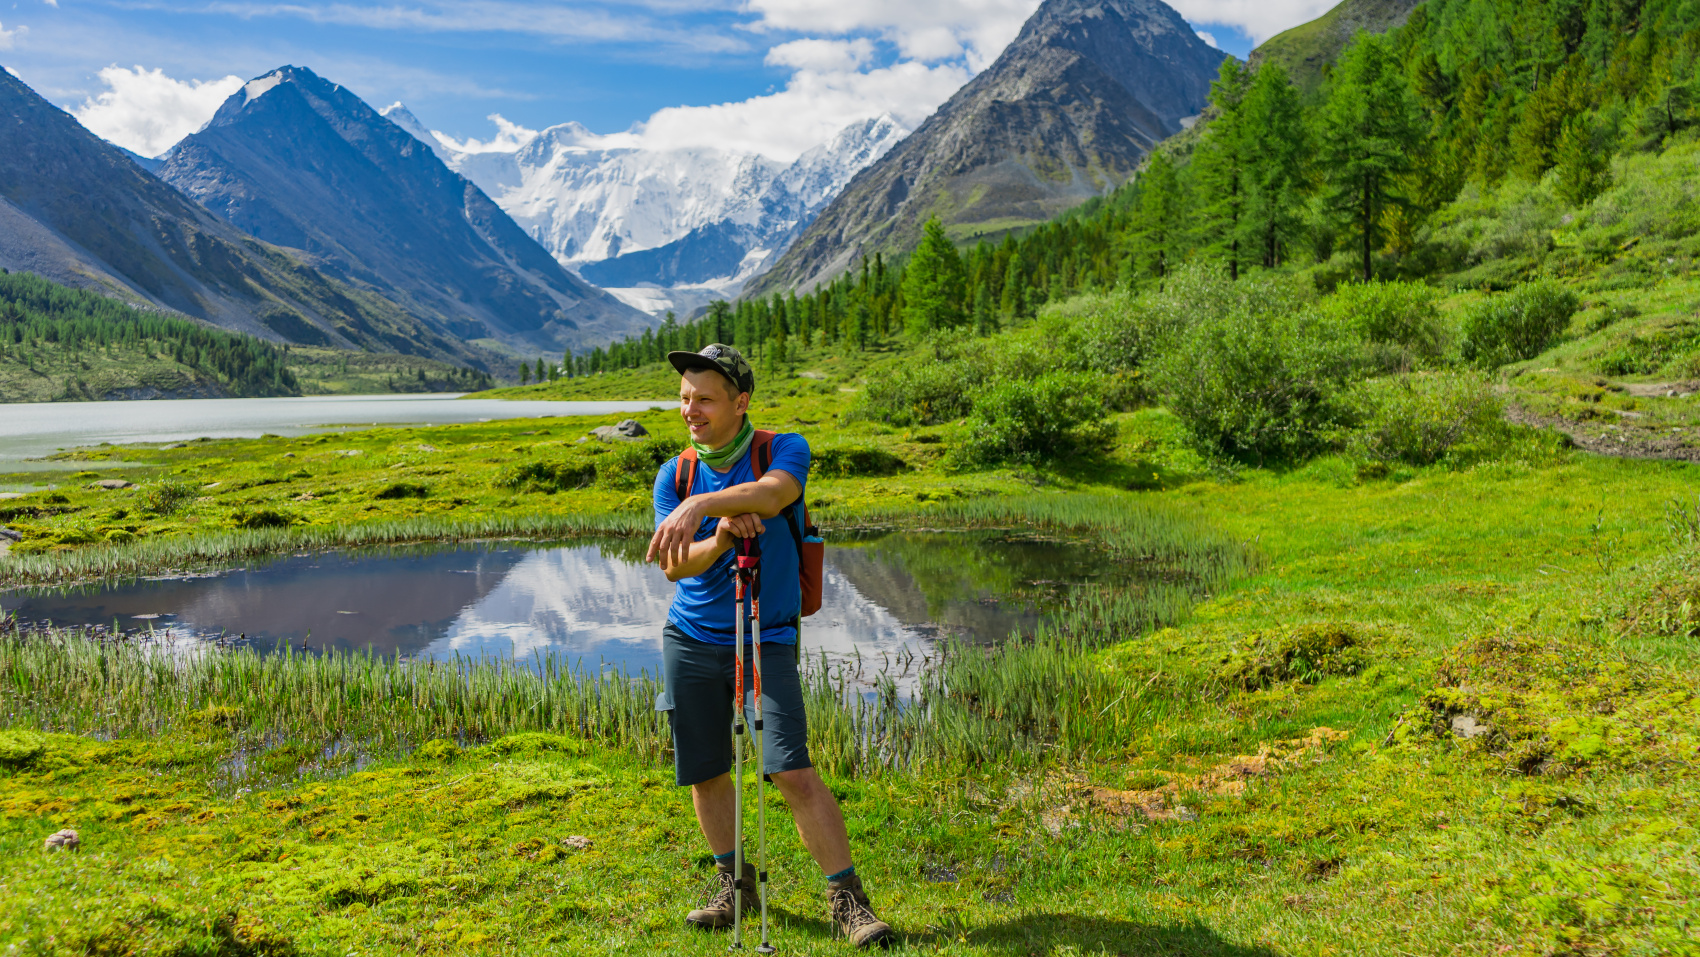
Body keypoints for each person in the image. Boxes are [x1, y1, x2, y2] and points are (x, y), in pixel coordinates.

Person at [647, 343, 893, 949]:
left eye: (704, 398)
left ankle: (848, 902)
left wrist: (706, 506)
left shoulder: (783, 449)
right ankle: (735, 884)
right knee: (707, 772)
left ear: (740, 401)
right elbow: (677, 568)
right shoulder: (673, 473)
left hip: (767, 633)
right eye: (684, 398)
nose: (691, 410)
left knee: (790, 768)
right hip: (692, 635)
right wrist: (723, 537)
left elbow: (773, 495)